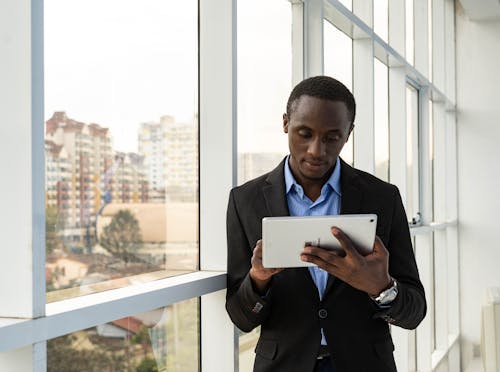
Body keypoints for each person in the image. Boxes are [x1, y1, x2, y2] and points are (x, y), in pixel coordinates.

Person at [225, 76, 426, 372]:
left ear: (349, 134)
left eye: (332, 137)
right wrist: (258, 279)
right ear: (285, 124)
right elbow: (241, 317)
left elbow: (414, 313)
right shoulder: (246, 201)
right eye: (304, 133)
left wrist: (380, 287)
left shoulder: (382, 198)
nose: (316, 151)